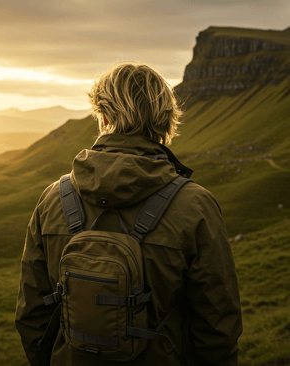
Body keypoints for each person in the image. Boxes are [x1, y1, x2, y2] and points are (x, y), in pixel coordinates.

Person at [15, 62, 242, 366]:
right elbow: (217, 325)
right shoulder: (195, 204)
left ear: (104, 116)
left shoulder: (52, 198)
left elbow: (32, 316)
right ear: (165, 121)